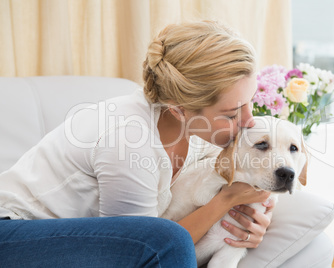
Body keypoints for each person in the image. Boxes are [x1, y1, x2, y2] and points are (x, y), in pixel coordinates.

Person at [0, 20, 274, 267]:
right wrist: (227, 199)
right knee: (165, 239)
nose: (249, 120)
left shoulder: (201, 136)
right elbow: (146, 248)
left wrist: (249, 222)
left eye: (249, 102)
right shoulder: (128, 140)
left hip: (60, 240)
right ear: (179, 110)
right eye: (231, 114)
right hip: (11, 234)